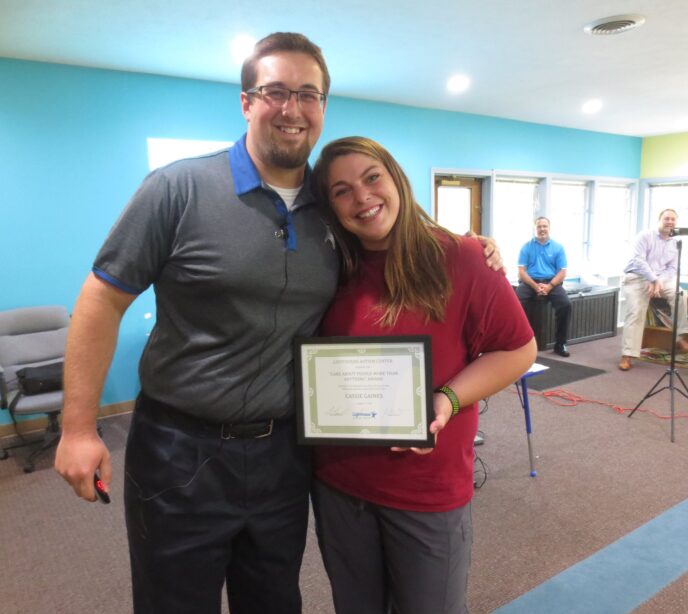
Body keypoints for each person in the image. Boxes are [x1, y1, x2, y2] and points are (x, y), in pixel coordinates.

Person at [54, 33, 504, 613]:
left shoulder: (330, 205)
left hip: (284, 455)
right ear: (247, 102)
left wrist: (468, 243)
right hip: (179, 452)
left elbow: (385, 220)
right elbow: (100, 299)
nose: (292, 109)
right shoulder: (177, 188)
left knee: (272, 601)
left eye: (308, 94)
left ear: (322, 107)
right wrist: (78, 428)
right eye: (275, 92)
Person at [309, 136, 537, 614]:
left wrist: (447, 400)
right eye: (342, 191)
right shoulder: (330, 266)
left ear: (396, 178)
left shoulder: (462, 257)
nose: (363, 197)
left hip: (425, 488)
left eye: (372, 178)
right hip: (338, 483)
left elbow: (518, 350)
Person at [619, 208, 688, 371]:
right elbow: (638, 261)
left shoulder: (676, 242)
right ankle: (627, 355)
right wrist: (653, 279)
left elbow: (672, 268)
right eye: (666, 219)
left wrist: (658, 281)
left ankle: (682, 336)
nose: (670, 222)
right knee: (635, 311)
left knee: (681, 295)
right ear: (659, 219)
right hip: (637, 277)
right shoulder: (645, 236)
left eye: (673, 220)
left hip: (661, 279)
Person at [516, 216, 572, 357]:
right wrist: (535, 287)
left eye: (544, 226)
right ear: (535, 229)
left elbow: (562, 272)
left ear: (549, 228)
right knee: (515, 304)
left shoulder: (558, 247)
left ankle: (560, 344)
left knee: (566, 305)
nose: (542, 229)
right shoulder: (526, 247)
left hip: (552, 282)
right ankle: (518, 343)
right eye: (539, 226)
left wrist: (549, 286)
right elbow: (522, 272)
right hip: (530, 282)